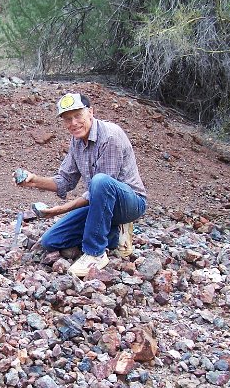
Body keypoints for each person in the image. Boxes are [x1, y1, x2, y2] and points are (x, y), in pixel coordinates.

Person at [14, 92, 147, 277]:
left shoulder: (110, 136)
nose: (73, 123)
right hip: (100, 205)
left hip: (130, 203)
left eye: (78, 116)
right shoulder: (76, 141)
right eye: (68, 119)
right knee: (50, 241)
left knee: (100, 182)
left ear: (90, 112)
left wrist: (58, 210)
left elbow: (100, 189)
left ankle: (95, 252)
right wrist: (34, 181)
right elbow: (65, 180)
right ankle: (114, 234)